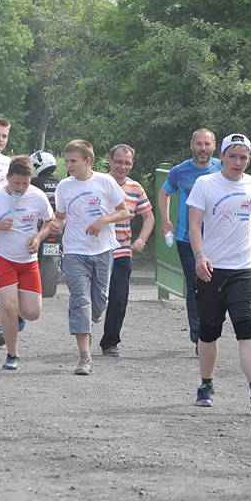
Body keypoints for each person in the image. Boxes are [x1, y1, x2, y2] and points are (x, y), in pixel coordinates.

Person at [187, 133, 251, 411]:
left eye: (243, 157)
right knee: (209, 332)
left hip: (243, 271)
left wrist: (248, 254)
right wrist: (199, 255)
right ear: (223, 157)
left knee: (247, 327)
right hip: (212, 270)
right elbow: (194, 225)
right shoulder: (206, 183)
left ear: (249, 159)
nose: (238, 162)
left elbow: (250, 222)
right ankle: (206, 384)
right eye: (232, 156)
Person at [0, 156, 54, 370]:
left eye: (25, 183)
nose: (21, 188)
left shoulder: (37, 196)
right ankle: (12, 354)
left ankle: (17, 316)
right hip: (1, 257)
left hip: (27, 260)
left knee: (32, 313)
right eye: (16, 183)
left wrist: (38, 238)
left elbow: (50, 221)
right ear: (8, 178)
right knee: (8, 305)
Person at [52, 139, 128, 376]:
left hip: (103, 250)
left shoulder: (105, 181)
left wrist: (103, 220)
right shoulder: (64, 186)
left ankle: (86, 317)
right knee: (80, 301)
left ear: (88, 161)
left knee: (99, 302)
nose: (69, 165)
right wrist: (55, 225)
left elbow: (125, 211)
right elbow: (61, 216)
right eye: (67, 161)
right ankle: (84, 357)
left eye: (73, 161)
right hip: (74, 251)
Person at [158, 128, 221, 352]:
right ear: (192, 145)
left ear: (214, 146)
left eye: (207, 144)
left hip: (217, 239)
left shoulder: (222, 168)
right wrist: (166, 221)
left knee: (216, 287)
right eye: (199, 144)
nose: (203, 149)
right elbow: (164, 193)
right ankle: (200, 338)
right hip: (186, 239)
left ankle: (211, 331)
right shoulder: (179, 171)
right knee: (197, 286)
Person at [99, 144, 155, 357]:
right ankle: (84, 332)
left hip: (122, 250)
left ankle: (110, 341)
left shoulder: (135, 188)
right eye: (119, 162)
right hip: (98, 251)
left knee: (119, 297)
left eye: (127, 163)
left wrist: (141, 239)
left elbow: (149, 217)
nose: (122, 167)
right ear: (110, 161)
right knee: (96, 298)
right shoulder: (98, 183)